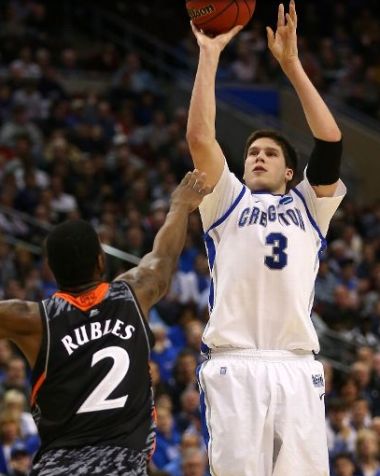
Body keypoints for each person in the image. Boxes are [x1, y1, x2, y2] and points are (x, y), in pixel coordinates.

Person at [186, 1, 346, 475]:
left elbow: (331, 141)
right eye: (252, 152)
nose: (257, 157)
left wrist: (292, 66)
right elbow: (199, 137)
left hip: (297, 367)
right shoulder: (226, 200)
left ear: (290, 170)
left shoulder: (310, 206)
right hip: (236, 363)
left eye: (269, 153)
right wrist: (210, 54)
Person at [0, 170, 210, 476]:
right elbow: (163, 258)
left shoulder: (33, 320)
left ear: (52, 270)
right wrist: (179, 205)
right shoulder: (134, 293)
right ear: (101, 260)